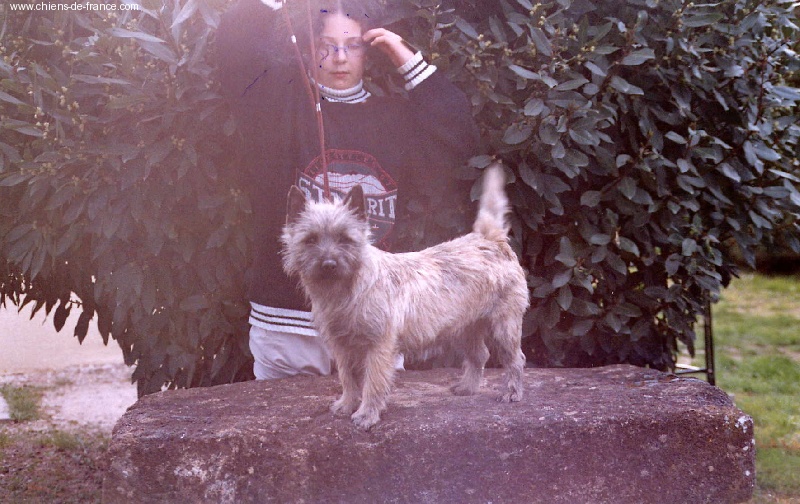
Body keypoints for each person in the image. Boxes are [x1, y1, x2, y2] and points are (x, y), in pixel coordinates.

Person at [215, 0, 480, 380]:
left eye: (352, 45)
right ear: (310, 49)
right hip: (287, 327)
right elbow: (233, 51)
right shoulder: (277, 106)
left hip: (371, 319)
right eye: (327, 46)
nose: (340, 57)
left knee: (373, 418)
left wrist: (404, 57)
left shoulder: (395, 118)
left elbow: (459, 134)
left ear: (368, 51)